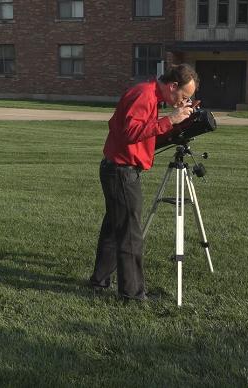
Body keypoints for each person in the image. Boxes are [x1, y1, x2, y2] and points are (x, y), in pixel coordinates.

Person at [89, 64, 199, 300]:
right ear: (172, 86)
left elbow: (140, 131)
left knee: (114, 230)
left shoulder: (149, 94)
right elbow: (130, 132)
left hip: (116, 169)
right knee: (130, 233)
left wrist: (175, 122)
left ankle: (99, 283)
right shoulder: (145, 95)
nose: (184, 101)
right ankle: (132, 294)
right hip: (121, 171)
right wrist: (170, 119)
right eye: (185, 96)